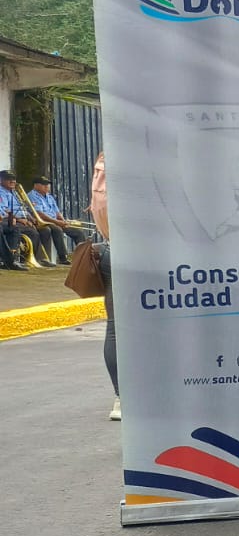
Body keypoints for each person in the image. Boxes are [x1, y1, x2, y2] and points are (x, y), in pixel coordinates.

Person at [88, 153, 118, 420]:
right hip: (148, 253)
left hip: (111, 247)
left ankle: (121, 397)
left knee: (115, 329)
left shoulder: (104, 159)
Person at [28, 174, 86, 263]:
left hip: (55, 221)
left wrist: (63, 221)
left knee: (78, 232)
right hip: (44, 222)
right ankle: (63, 257)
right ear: (36, 185)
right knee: (57, 229)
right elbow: (39, 214)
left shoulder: (49, 197)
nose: (47, 186)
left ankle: (82, 257)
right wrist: (56, 222)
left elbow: (57, 212)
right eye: (43, 184)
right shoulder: (32, 196)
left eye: (47, 184)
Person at [0, 170, 52, 268]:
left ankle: (43, 259)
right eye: (8, 179)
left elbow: (23, 208)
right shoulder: (1, 192)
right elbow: (4, 211)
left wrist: (31, 218)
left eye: (14, 179)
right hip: (11, 220)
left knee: (45, 230)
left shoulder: (14, 192)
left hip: (22, 219)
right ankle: (21, 259)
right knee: (32, 232)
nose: (13, 181)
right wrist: (20, 220)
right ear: (1, 180)